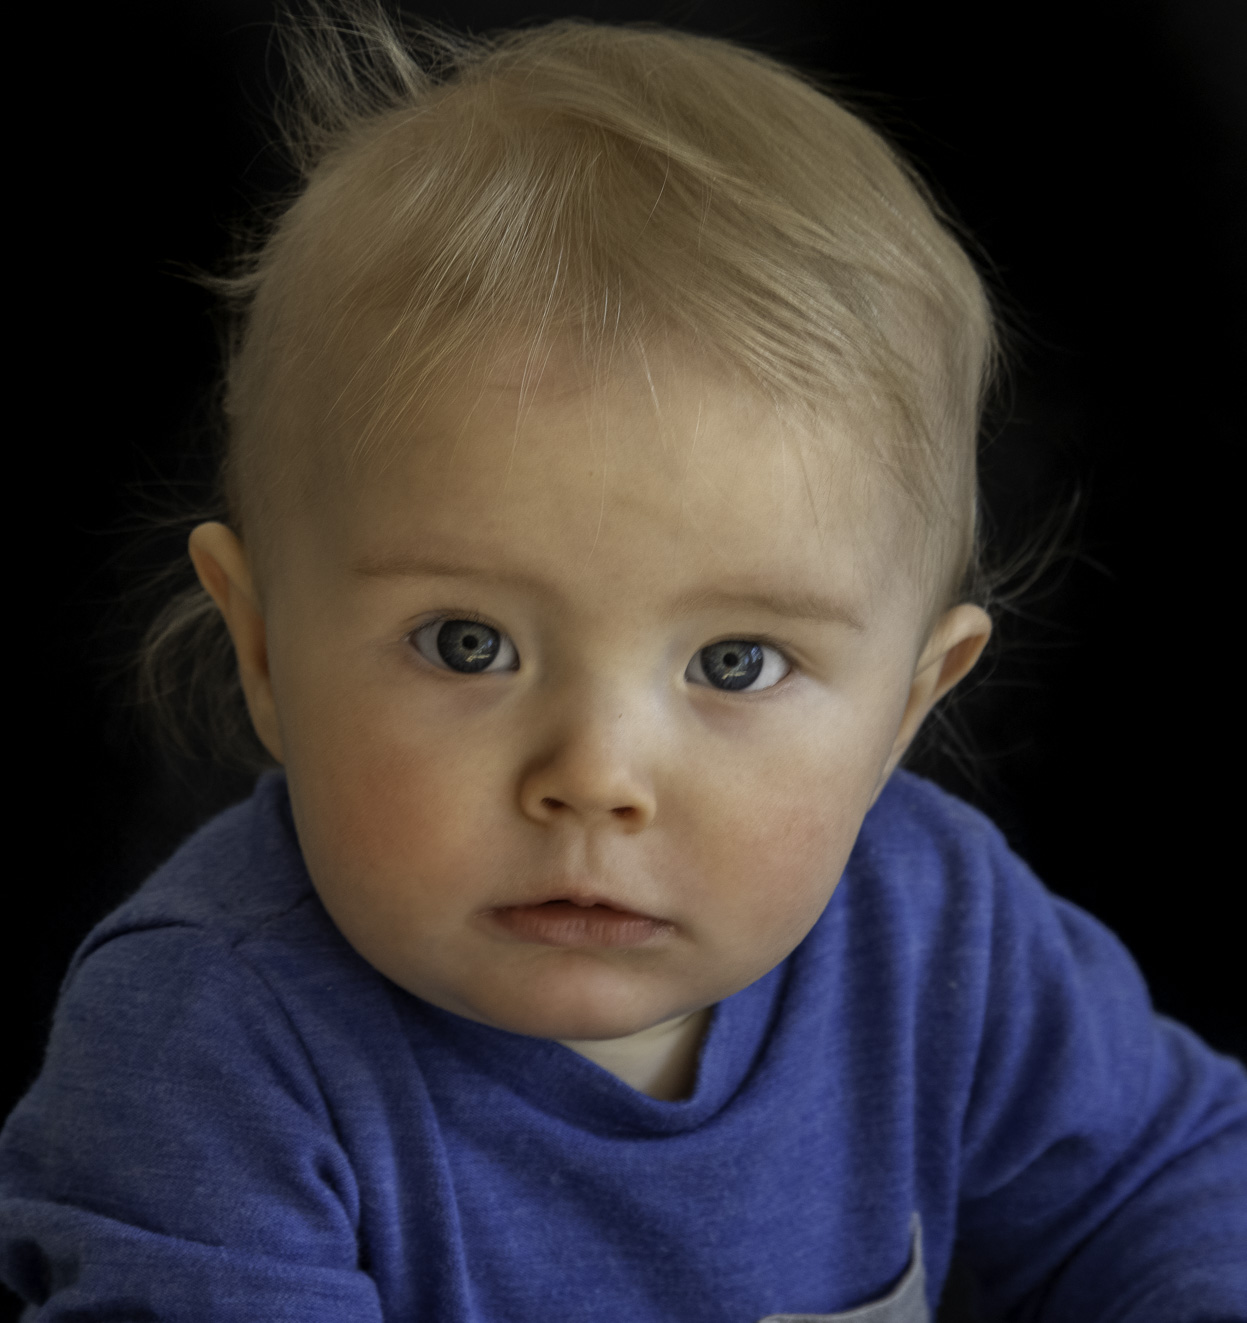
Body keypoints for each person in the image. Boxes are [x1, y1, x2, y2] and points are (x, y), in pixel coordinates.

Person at [2, 8, 1244, 1320]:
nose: (595, 776)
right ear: (262, 649)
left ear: (907, 706)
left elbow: (1175, 1183)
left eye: (738, 662)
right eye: (468, 645)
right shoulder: (206, 1048)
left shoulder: (933, 932)